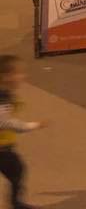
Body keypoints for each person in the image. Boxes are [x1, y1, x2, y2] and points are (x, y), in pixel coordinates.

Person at [0, 56, 44, 209]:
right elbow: (3, 122)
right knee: (16, 169)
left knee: (16, 169)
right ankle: (16, 204)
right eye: (18, 73)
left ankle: (15, 203)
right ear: (6, 76)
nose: (22, 76)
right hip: (2, 149)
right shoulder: (2, 97)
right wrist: (31, 126)